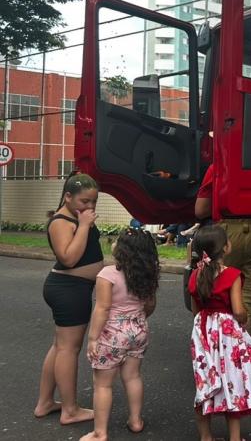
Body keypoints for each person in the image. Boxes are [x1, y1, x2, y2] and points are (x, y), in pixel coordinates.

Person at [188, 225, 251, 441]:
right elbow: (238, 310)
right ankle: (234, 438)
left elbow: (196, 311)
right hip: (226, 334)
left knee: (205, 382)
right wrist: (244, 318)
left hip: (203, 332)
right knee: (231, 383)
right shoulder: (232, 275)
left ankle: (206, 437)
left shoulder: (195, 275)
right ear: (226, 247)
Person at [34, 174, 102, 425]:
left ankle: (45, 403)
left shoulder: (75, 216)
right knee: (68, 349)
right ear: (68, 197)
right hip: (69, 289)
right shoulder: (61, 222)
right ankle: (70, 410)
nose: (90, 206)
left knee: (60, 346)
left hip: (73, 288)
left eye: (94, 202)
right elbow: (68, 258)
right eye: (85, 201)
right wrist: (83, 226)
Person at [80, 228, 160, 440]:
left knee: (103, 384)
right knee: (132, 376)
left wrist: (93, 338)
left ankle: (100, 433)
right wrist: (138, 319)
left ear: (122, 250)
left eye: (118, 240)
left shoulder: (107, 274)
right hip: (139, 329)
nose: (114, 243)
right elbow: (150, 304)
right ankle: (135, 420)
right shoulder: (147, 275)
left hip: (112, 334)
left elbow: (102, 308)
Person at [195, 167, 251, 336]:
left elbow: (201, 209)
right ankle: (243, 347)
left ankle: (216, 342)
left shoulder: (219, 165)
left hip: (227, 231)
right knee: (250, 304)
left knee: (219, 297)